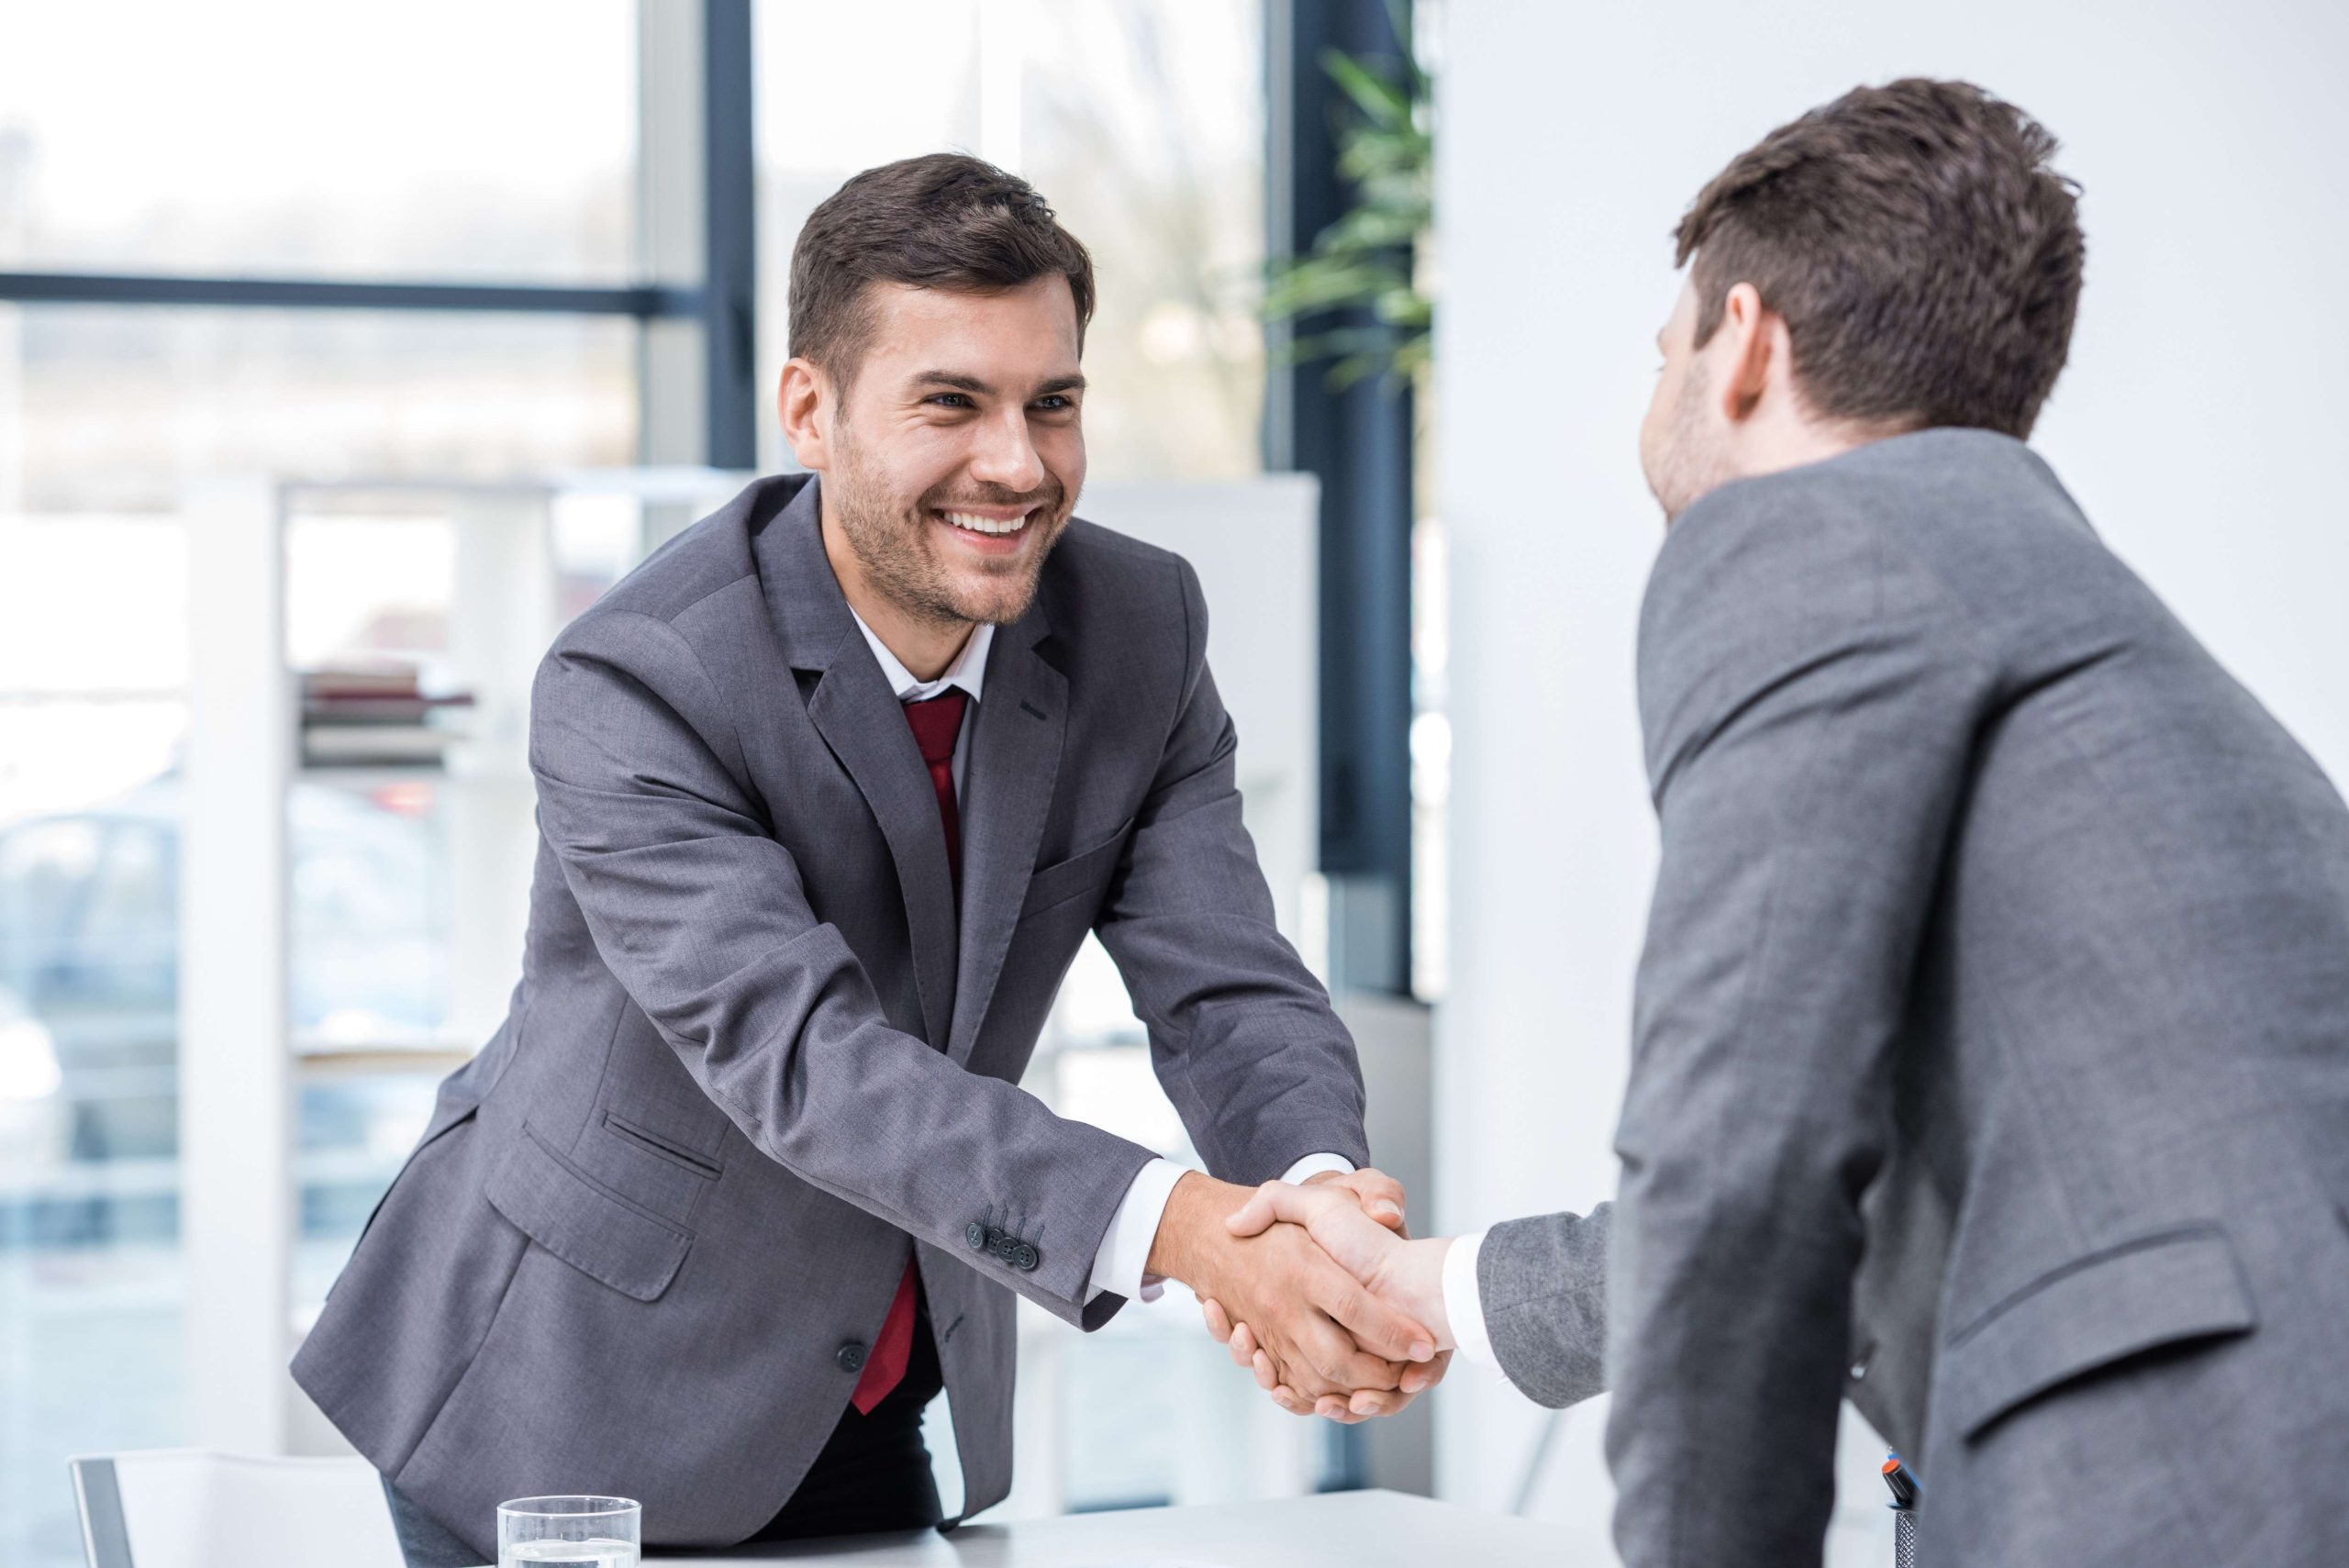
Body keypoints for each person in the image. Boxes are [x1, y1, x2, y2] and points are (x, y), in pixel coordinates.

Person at [1207, 78, 2349, 1566]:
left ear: (1743, 345)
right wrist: (1423, 1285)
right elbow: (1881, 1199)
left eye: (1661, 352)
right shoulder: (2096, 635)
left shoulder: (1808, 543)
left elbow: (1741, 1166)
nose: (1656, 397)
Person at [294, 153, 1440, 1567]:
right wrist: (1191, 1233)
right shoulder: (638, 678)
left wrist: (1314, 1195)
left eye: (1054, 402)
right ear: (811, 413)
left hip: (869, 1386)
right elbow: (809, 1059)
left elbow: (1228, 982)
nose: (1017, 463)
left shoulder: (1141, 626)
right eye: (950, 402)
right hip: (576, 1396)